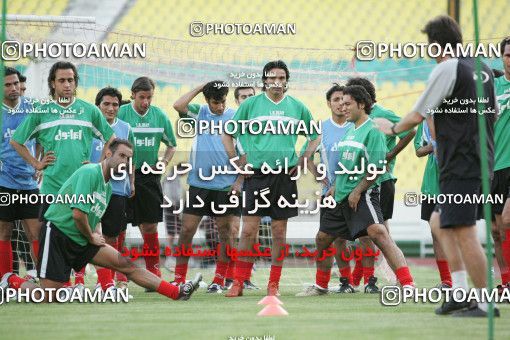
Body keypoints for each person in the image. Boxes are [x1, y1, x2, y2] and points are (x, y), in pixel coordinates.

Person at [373, 15, 498, 317]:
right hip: (480, 158)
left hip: (460, 162)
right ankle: (457, 293)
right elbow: (492, 115)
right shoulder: (481, 68)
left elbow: (417, 115)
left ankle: (483, 303)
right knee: (438, 222)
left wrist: (389, 129)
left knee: (464, 231)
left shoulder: (447, 67)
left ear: (437, 46)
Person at [0, 139, 201, 301]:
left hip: (82, 238)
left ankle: (177, 292)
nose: (124, 162)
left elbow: (92, 217)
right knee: (47, 296)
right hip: (59, 235)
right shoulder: (89, 172)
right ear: (107, 154)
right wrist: (93, 236)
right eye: (121, 155)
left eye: (128, 159)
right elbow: (78, 214)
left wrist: (95, 234)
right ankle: (11, 280)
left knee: (127, 265)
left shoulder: (106, 186)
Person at [296, 85, 414, 296]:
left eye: (348, 103)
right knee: (323, 238)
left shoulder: (373, 130)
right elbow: (346, 166)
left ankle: (407, 284)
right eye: (341, 103)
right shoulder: (351, 130)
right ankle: (321, 286)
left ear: (361, 105)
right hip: (340, 195)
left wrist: (358, 191)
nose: (343, 107)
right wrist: (334, 187)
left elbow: (377, 167)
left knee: (378, 233)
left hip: (362, 195)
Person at [222, 60, 321, 297]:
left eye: (281, 78)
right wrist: (236, 162)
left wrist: (302, 159)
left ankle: (273, 284)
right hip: (256, 175)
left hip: (284, 177)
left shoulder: (297, 107)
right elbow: (228, 133)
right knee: (248, 231)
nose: (277, 82)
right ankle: (238, 281)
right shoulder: (251, 105)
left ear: (287, 81)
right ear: (264, 80)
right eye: (272, 78)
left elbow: (315, 136)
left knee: (279, 231)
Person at [172, 80, 243, 293]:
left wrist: (239, 181)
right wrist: (200, 86)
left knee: (225, 233)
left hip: (225, 185)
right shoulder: (199, 113)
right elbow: (178, 105)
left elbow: (244, 152)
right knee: (186, 230)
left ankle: (219, 280)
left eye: (222, 102)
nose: (219, 107)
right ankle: (178, 279)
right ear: (207, 100)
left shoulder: (234, 118)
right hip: (199, 184)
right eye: (215, 102)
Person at [118, 77, 177, 280]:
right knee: (118, 225)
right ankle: (120, 272)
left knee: (150, 225)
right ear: (133, 94)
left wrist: (163, 162)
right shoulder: (121, 113)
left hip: (149, 176)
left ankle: (153, 271)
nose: (146, 102)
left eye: (149, 97)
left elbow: (172, 145)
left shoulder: (159, 115)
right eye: (142, 97)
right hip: (122, 175)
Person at [89, 87, 135, 292]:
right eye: (106, 104)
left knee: (111, 236)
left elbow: (131, 157)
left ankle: (109, 281)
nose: (111, 108)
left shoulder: (125, 127)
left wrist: (131, 182)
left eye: (115, 104)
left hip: (116, 189)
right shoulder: (87, 126)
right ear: (98, 105)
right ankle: (98, 282)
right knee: (89, 233)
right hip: (90, 188)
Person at [0, 67, 40, 279]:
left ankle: (44, 277)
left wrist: (38, 162)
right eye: (8, 84)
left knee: (36, 231)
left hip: (28, 182)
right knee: (4, 231)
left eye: (16, 83)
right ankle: (5, 279)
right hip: (4, 181)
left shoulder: (32, 108)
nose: (14, 88)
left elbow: (42, 136)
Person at [414, 121, 452, 288]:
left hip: (454, 182)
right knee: (436, 232)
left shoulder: (456, 116)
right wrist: (432, 146)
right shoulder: (424, 123)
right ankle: (446, 281)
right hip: (431, 185)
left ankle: (461, 278)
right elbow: (418, 150)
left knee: (458, 233)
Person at [492, 36, 510, 293]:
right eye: (508, 54)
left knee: (507, 220)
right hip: (492, 167)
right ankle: (506, 283)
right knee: (496, 230)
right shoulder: (492, 86)